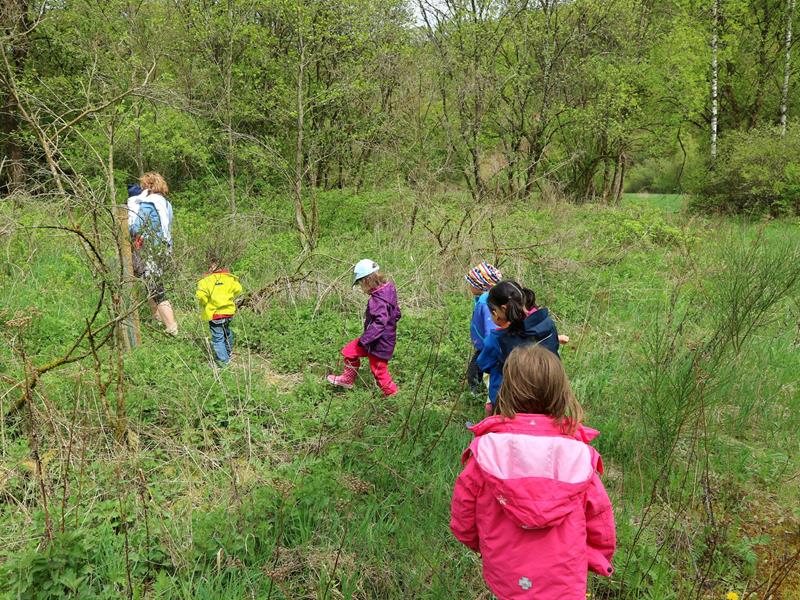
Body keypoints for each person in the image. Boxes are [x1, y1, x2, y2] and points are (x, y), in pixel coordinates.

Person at [450, 344, 616, 599]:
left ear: (507, 391)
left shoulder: (486, 453)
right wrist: (594, 557)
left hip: (507, 573)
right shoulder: (577, 456)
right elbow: (600, 522)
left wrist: (483, 545)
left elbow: (464, 519)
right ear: (560, 392)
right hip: (565, 577)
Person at [477, 280, 561, 414]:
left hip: (511, 402)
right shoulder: (548, 324)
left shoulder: (498, 339)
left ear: (503, 309)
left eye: (493, 311)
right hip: (549, 393)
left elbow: (484, 364)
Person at [327, 259, 401, 396]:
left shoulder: (377, 300)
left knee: (379, 371)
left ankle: (395, 398)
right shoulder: (389, 289)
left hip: (379, 343)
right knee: (349, 351)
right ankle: (348, 379)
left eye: (361, 283)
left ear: (367, 281)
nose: (361, 287)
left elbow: (380, 324)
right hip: (375, 339)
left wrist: (365, 340)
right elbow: (397, 313)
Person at [127, 172, 178, 335]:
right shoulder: (166, 204)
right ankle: (158, 322)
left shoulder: (148, 204)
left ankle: (172, 328)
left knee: (157, 289)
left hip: (150, 251)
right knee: (151, 285)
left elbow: (136, 227)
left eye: (143, 186)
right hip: (163, 250)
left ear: (148, 186)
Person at [196, 250, 243, 365]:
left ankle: (224, 362)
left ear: (208, 266)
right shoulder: (229, 278)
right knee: (227, 333)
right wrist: (227, 297)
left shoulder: (205, 281)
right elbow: (238, 289)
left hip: (215, 314)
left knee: (218, 339)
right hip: (228, 312)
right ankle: (228, 352)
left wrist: (205, 303)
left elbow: (201, 296)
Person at [465, 262, 502, 395]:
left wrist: (488, 346)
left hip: (487, 346)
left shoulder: (486, 303)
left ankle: (476, 394)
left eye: (471, 283)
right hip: (485, 345)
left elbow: (491, 328)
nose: (469, 287)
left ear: (480, 285)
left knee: (475, 370)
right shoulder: (485, 299)